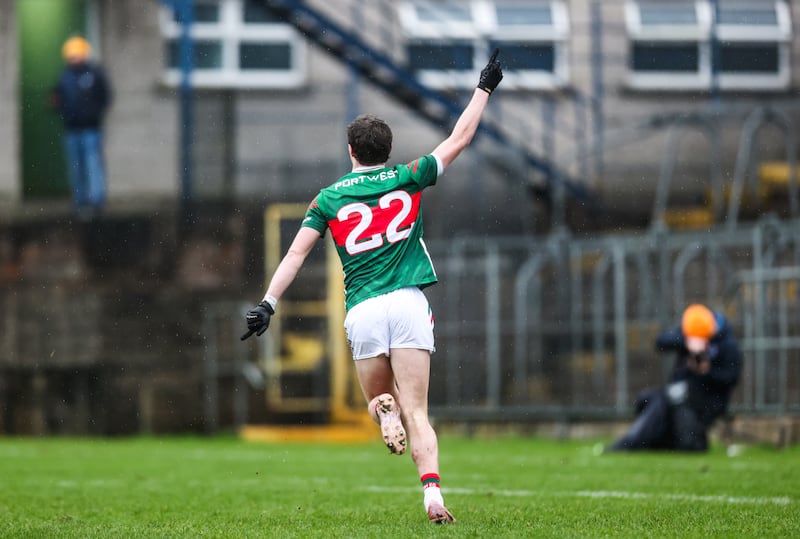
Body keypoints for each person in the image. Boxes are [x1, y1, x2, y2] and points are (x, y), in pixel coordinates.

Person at [241, 51, 504, 523]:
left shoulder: (329, 198)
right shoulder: (409, 176)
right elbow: (459, 137)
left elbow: (296, 253)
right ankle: (433, 497)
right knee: (418, 411)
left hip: (363, 308)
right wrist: (484, 88)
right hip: (407, 302)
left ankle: (383, 411)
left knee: (379, 402)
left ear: (352, 152)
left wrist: (268, 303)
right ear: (386, 148)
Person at [610, 303, 743, 452]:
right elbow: (661, 341)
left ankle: (632, 443)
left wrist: (706, 372)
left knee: (672, 405)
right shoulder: (690, 331)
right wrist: (686, 343)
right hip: (680, 392)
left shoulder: (727, 344)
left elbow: (731, 377)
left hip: (707, 399)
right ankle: (638, 441)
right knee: (648, 399)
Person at [51, 36, 112, 214]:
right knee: (76, 166)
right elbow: (58, 98)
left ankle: (96, 200)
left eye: (77, 55)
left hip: (91, 128)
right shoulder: (65, 77)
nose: (74, 59)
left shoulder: (94, 73)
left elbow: (105, 97)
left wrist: (94, 114)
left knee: (93, 164)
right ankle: (80, 200)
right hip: (72, 129)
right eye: (71, 56)